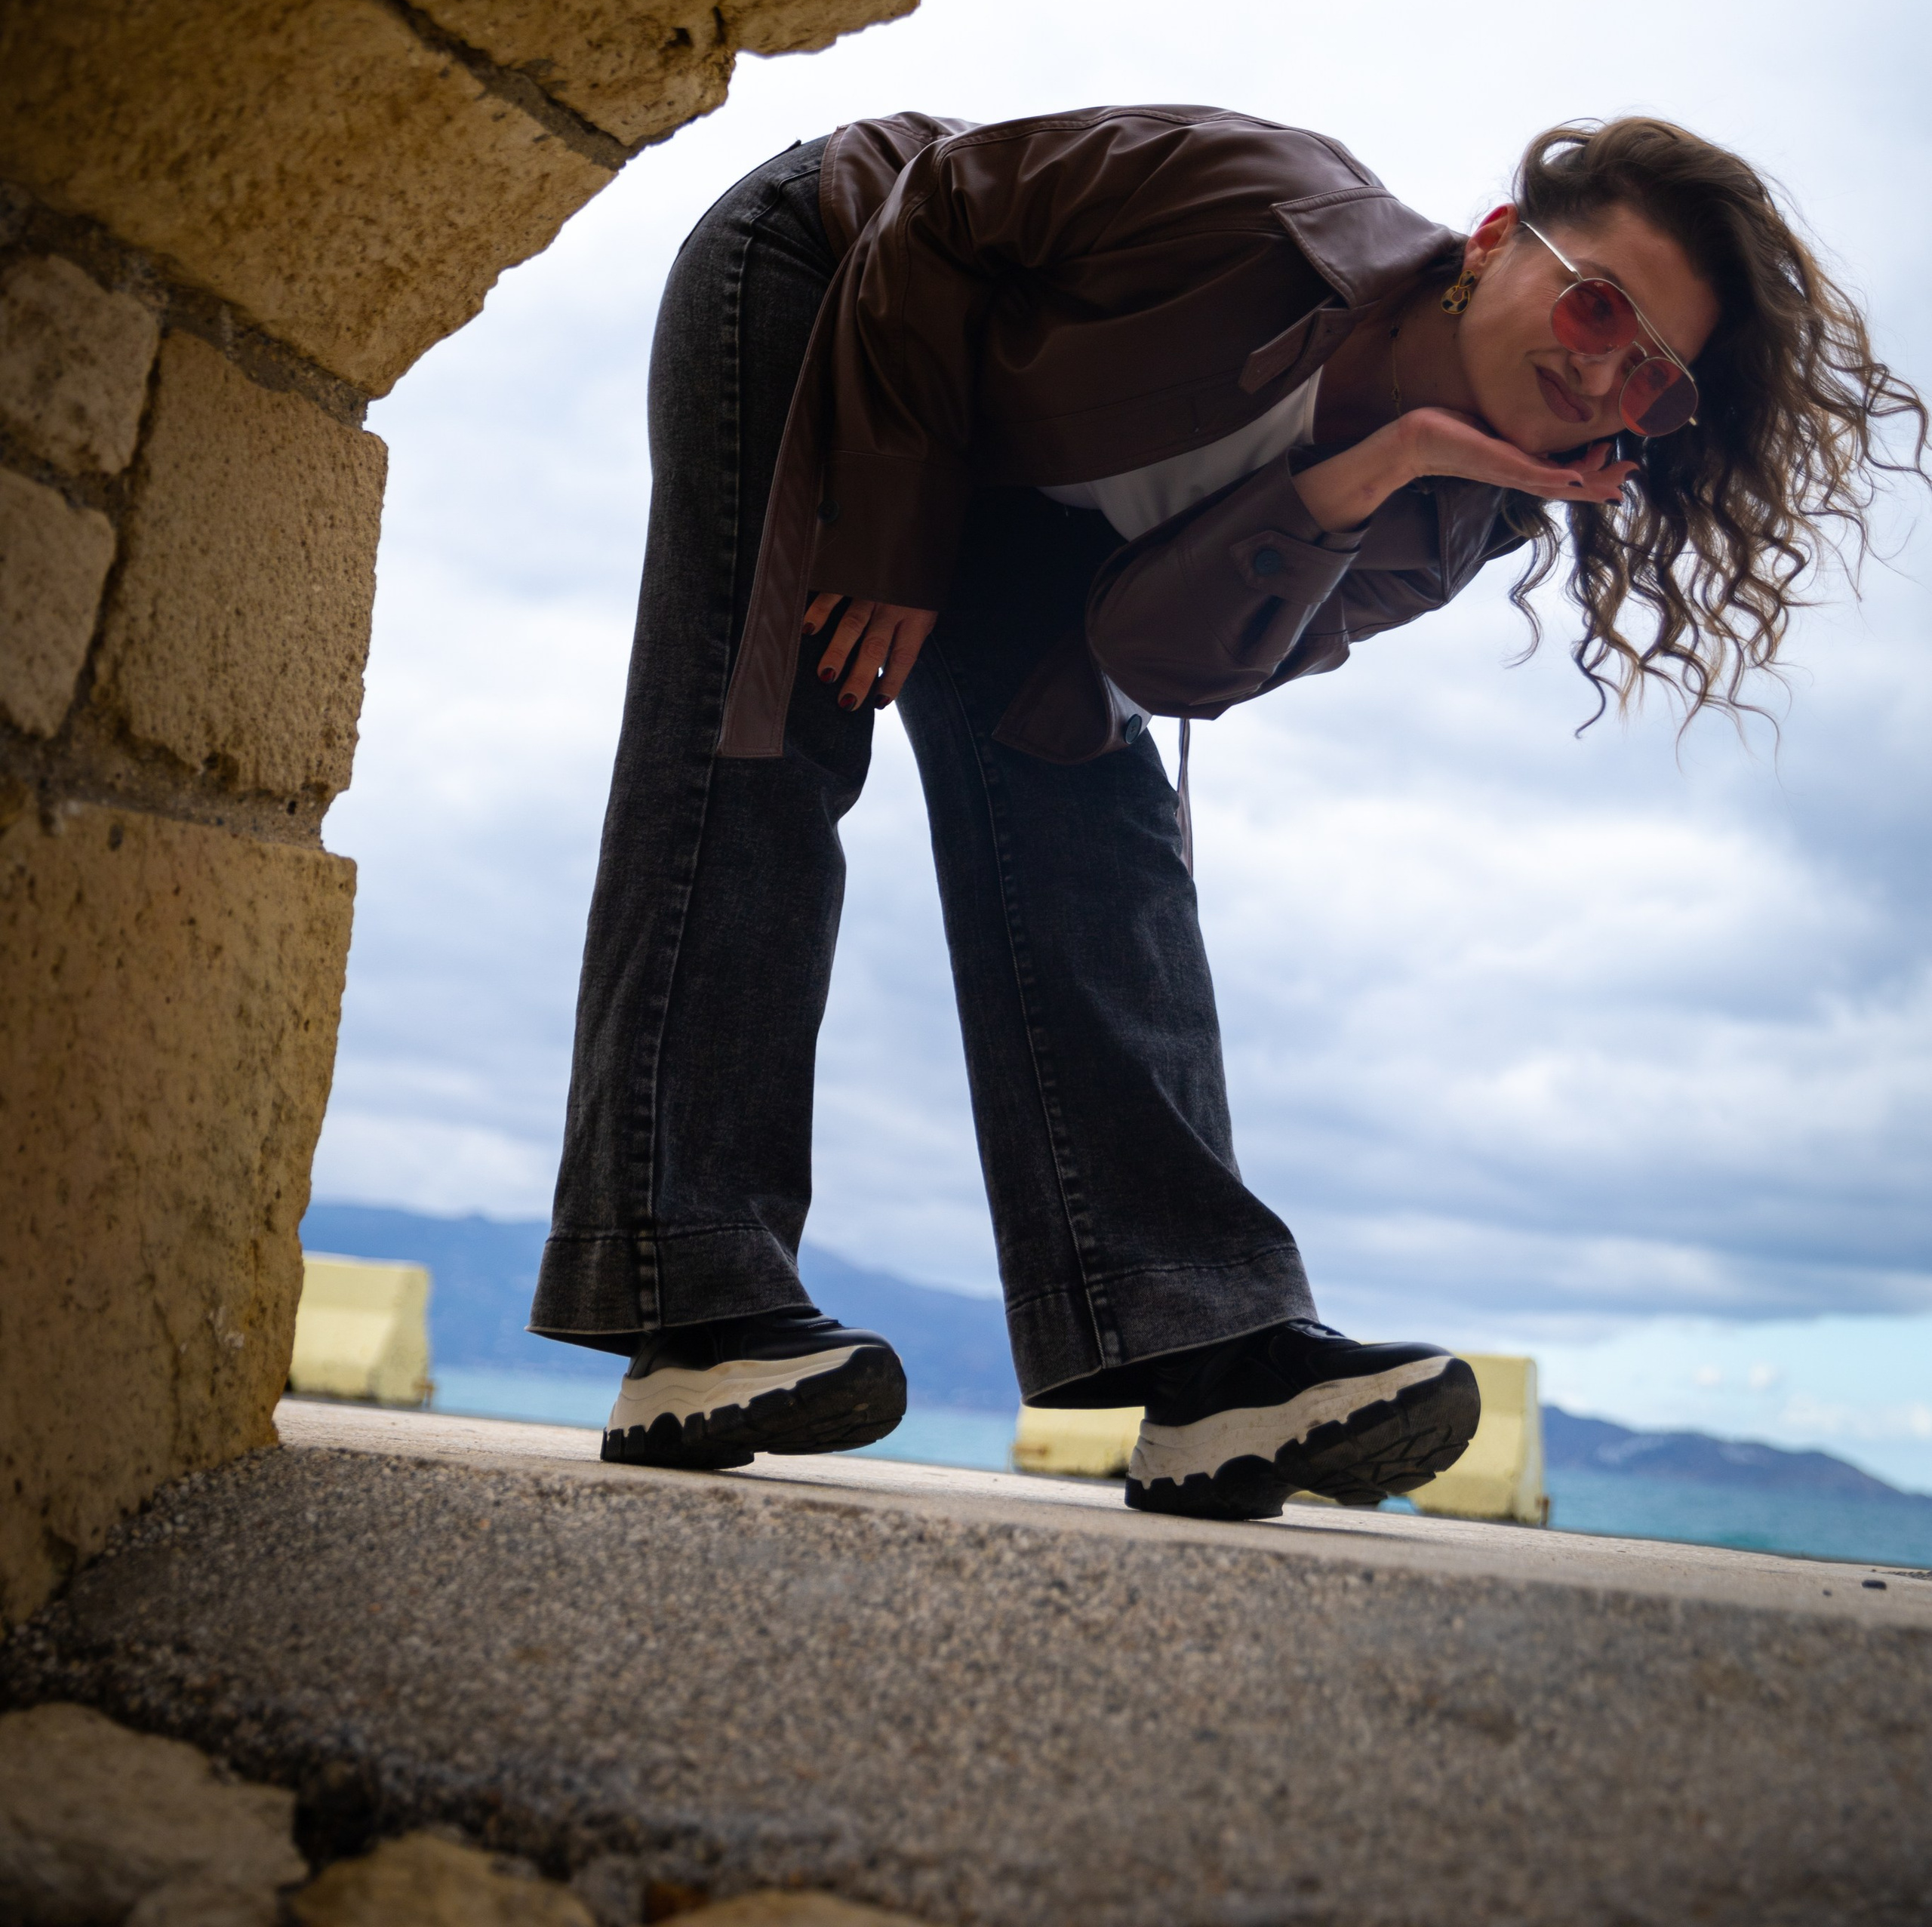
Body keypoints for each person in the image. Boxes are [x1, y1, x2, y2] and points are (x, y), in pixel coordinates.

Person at [528, 106, 1922, 1519]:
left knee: (1095, 813)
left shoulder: (1452, 520)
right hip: (839, 278)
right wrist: (891, 533)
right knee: (763, 731)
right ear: (1497, 244)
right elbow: (939, 212)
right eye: (1599, 304)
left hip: (1025, 482)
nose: (1604, 370)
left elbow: (1162, 665)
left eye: (1655, 381)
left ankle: (1207, 1356)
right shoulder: (1265, 207)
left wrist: (1369, 472)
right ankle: (686, 1304)